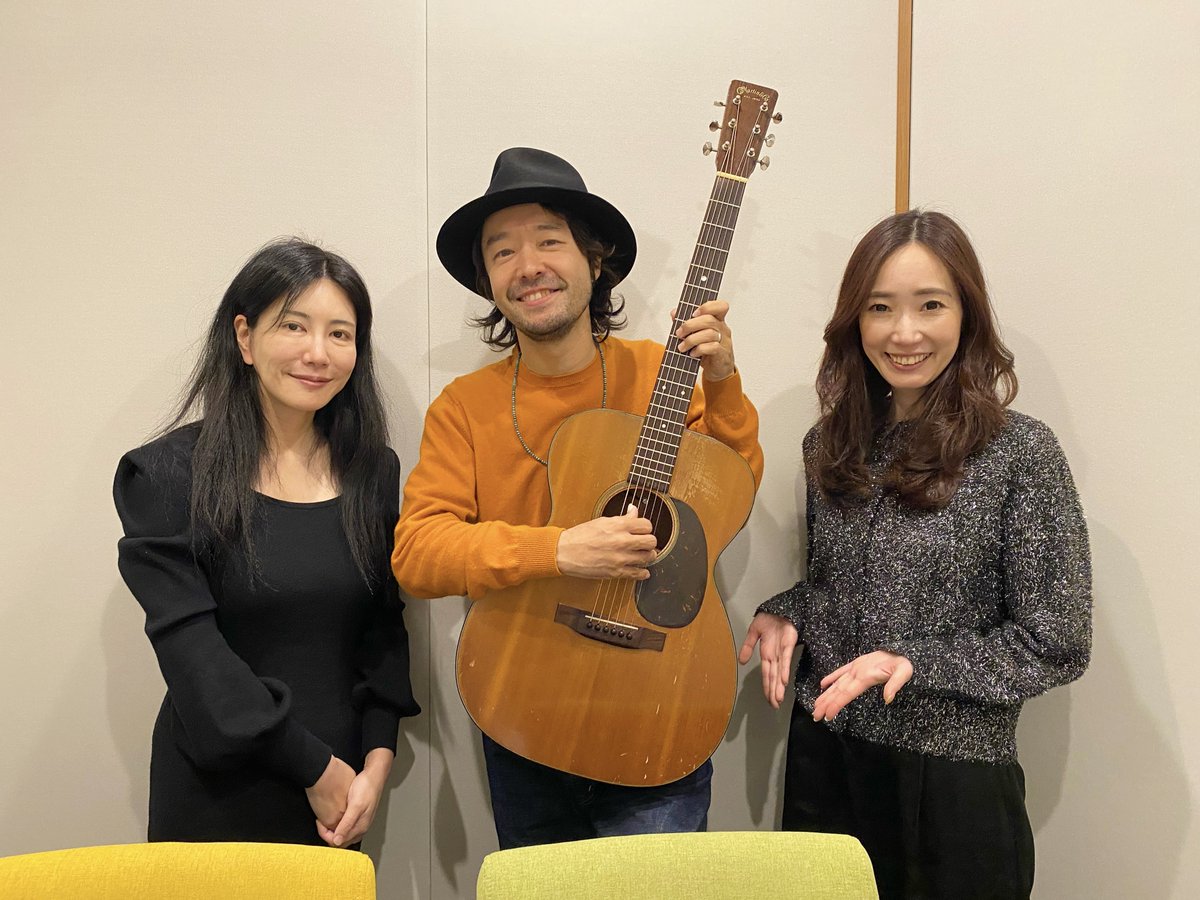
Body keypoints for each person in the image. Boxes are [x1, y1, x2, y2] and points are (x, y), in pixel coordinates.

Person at [392, 147, 764, 849]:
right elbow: (417, 553)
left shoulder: (661, 372)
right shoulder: (463, 408)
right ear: (489, 281)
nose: (527, 264)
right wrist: (560, 549)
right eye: (503, 252)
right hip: (523, 699)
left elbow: (730, 493)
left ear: (596, 260)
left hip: (663, 699)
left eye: (549, 241)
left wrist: (721, 379)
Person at [739, 210, 1091, 899]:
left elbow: (1058, 640)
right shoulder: (829, 445)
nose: (904, 333)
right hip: (828, 761)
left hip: (953, 780)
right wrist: (791, 611)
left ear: (967, 314)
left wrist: (913, 663)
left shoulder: (1020, 452)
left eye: (930, 305)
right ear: (854, 322)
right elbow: (842, 587)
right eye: (880, 308)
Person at [114, 238, 420, 848]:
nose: (318, 353)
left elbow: (382, 629)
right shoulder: (164, 475)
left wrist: (377, 760)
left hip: (343, 797)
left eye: (340, 334)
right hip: (220, 792)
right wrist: (315, 770)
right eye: (294, 326)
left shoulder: (372, 470)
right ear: (245, 338)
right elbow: (195, 659)